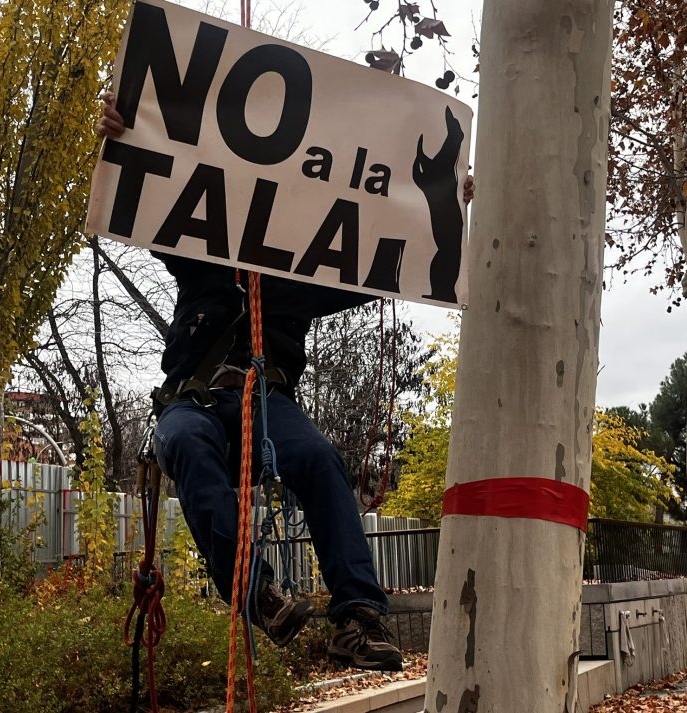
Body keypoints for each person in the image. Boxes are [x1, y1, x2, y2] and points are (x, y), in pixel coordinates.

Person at [97, 94, 473, 672]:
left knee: (321, 460)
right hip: (193, 402)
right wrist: (125, 137)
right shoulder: (202, 255)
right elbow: (149, 202)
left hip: (267, 407)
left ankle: (357, 616)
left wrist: (439, 207)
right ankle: (260, 595)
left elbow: (391, 257)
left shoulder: (307, 276)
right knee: (188, 447)